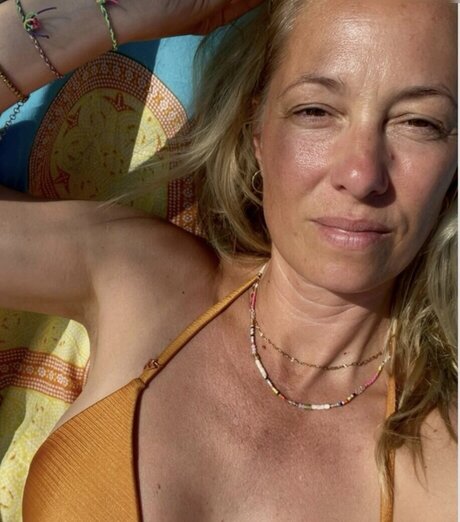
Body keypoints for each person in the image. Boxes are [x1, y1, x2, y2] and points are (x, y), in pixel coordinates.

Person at [0, 0, 456, 520]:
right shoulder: (142, 282)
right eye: (315, 111)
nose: (362, 175)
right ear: (257, 133)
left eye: (419, 122)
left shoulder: (444, 463)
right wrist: (111, 12)